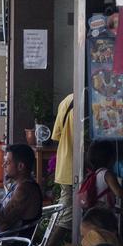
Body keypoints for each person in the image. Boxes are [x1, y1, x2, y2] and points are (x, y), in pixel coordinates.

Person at [78, 140, 123, 211]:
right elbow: (120, 193)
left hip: (94, 214)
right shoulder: (107, 174)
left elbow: (102, 199)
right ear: (109, 157)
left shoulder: (96, 174)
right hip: (102, 217)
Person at [49, 93, 76, 237]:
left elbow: (56, 135)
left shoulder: (67, 100)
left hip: (67, 165)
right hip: (79, 168)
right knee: (67, 214)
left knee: (65, 210)